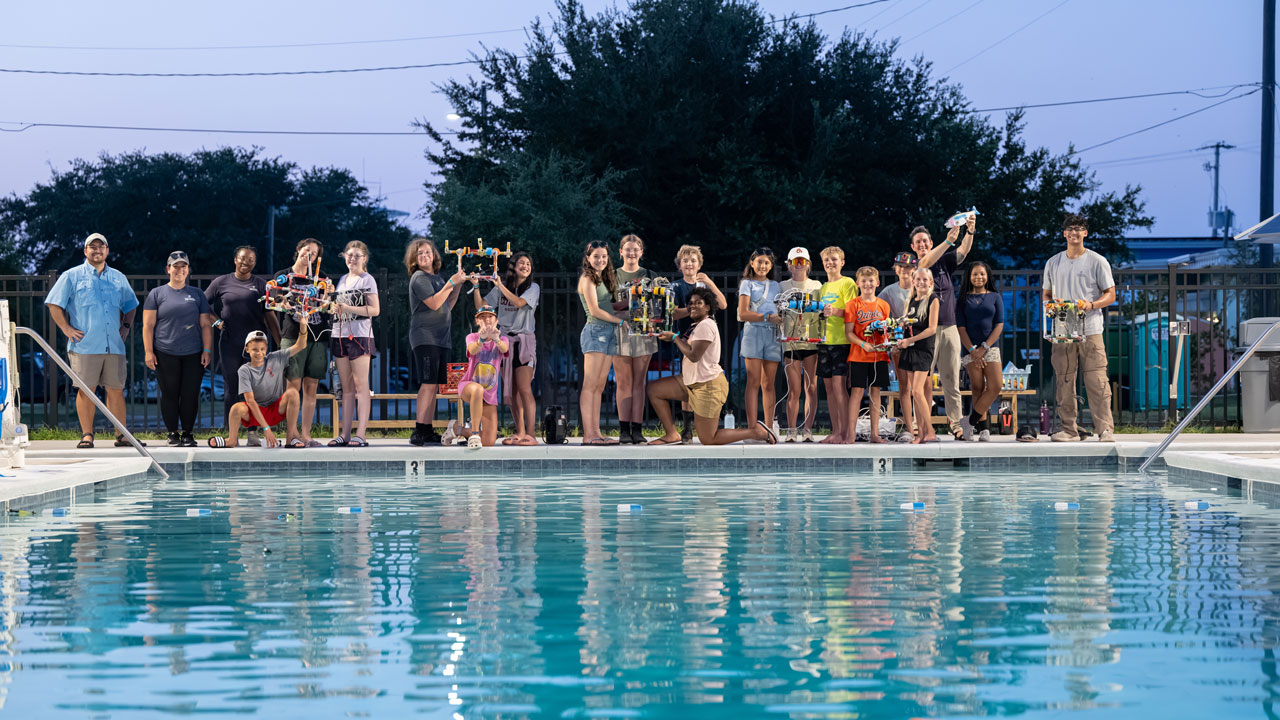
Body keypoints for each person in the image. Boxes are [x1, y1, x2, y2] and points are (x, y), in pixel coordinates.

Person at [45, 233, 140, 450]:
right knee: (86, 390)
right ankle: (87, 435)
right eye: (92, 247)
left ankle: (122, 435)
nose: (97, 251)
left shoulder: (118, 278)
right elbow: (53, 304)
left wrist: (125, 327)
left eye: (101, 247)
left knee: (116, 390)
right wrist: (66, 328)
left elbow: (131, 305)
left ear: (107, 250)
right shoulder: (71, 276)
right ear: (85, 251)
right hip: (84, 346)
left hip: (114, 346)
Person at [646, 287, 776, 446]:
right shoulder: (697, 325)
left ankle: (756, 432)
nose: (693, 306)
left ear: (708, 307)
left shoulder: (706, 325)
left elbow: (694, 356)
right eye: (691, 303)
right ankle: (672, 434)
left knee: (708, 439)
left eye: (698, 303)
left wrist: (674, 338)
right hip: (691, 382)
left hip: (708, 386)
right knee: (655, 390)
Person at [1043, 213, 1116, 443]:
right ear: (1064, 233)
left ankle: (1105, 429)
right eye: (1070, 229)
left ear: (1086, 233)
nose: (1074, 232)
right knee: (1064, 379)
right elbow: (1046, 294)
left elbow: (1111, 294)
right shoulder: (1053, 262)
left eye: (1079, 228)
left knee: (1097, 380)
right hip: (1062, 328)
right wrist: (1049, 306)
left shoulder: (1097, 261)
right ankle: (1069, 429)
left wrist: (1092, 304)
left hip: (1091, 328)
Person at [205, 245, 281, 446]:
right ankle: (232, 435)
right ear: (235, 260)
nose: (246, 262)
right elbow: (202, 305)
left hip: (255, 347)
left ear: (254, 263)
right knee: (232, 388)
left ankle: (252, 433)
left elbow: (270, 316)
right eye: (242, 258)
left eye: (250, 260)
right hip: (230, 343)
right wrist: (215, 322)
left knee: (254, 390)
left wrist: (280, 342)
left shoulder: (261, 285)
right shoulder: (221, 282)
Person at [914, 213, 978, 441]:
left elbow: (964, 251)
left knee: (951, 379)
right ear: (913, 247)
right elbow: (925, 263)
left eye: (925, 241)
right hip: (925, 330)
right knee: (921, 380)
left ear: (931, 243)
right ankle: (919, 424)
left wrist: (969, 230)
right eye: (918, 242)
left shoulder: (945, 261)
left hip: (949, 326)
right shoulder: (918, 267)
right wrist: (949, 240)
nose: (922, 244)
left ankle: (956, 424)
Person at [141, 251, 215, 447]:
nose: (179, 270)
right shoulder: (156, 294)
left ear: (188, 270)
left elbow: (206, 325)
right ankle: (172, 433)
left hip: (193, 353)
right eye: (175, 266)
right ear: (168, 269)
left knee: (190, 393)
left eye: (183, 266)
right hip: (165, 352)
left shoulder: (197, 294)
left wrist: (207, 350)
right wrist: (149, 352)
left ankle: (188, 433)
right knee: (170, 393)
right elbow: (147, 326)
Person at [473, 251, 539, 446]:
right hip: (504, 342)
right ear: (513, 266)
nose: (525, 266)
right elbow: (482, 307)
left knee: (525, 389)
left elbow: (519, 303)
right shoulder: (503, 289)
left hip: (524, 341)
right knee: (511, 391)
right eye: (521, 263)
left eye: (528, 263)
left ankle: (532, 434)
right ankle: (520, 433)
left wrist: (500, 285)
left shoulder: (532, 288)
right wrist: (476, 286)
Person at [407, 238, 468, 446]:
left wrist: (457, 286)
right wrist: (452, 282)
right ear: (414, 259)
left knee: (434, 385)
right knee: (428, 383)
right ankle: (419, 430)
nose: (424, 256)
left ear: (434, 255)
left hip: (442, 338)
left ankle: (427, 429)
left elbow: (447, 304)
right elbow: (433, 304)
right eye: (419, 254)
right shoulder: (419, 277)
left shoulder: (438, 279)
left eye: (427, 252)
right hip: (425, 336)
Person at [273, 238, 331, 447]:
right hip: (293, 334)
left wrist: (328, 297)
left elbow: (327, 306)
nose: (309, 255)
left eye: (313, 254)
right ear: (298, 250)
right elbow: (274, 300)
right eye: (306, 250)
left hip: (317, 336)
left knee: (311, 386)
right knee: (292, 385)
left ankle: (306, 434)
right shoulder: (284, 275)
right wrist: (283, 301)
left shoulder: (322, 278)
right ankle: (292, 434)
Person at [207, 330, 307, 448]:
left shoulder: (276, 358)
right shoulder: (244, 370)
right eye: (254, 349)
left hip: (276, 410)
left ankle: (290, 438)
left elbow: (301, 345)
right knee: (236, 408)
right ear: (247, 349)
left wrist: (303, 324)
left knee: (293, 393)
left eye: (262, 349)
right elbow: (250, 401)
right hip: (256, 413)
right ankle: (231, 440)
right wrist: (266, 428)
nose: (259, 353)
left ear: (266, 349)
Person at [670, 244, 728, 442]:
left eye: (693, 260)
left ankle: (700, 422)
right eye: (685, 261)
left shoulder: (704, 285)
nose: (689, 264)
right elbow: (673, 312)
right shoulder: (676, 286)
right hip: (686, 336)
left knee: (703, 378)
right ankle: (687, 428)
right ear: (680, 265)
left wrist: (710, 283)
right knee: (688, 382)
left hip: (705, 339)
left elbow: (723, 304)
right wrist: (695, 308)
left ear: (699, 264)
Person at [328, 241, 380, 447]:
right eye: (349, 255)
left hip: (359, 336)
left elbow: (375, 310)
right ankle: (345, 433)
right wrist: (334, 308)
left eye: (357, 255)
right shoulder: (341, 280)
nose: (352, 259)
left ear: (364, 259)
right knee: (346, 387)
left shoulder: (367, 280)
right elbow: (338, 307)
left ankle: (361, 434)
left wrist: (348, 308)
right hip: (339, 334)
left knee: (361, 386)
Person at [612, 235, 659, 444]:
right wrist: (628, 305)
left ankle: (637, 429)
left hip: (644, 331)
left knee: (639, 382)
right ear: (620, 252)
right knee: (623, 382)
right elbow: (604, 306)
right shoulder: (611, 276)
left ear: (641, 252)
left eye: (636, 249)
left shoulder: (651, 276)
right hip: (619, 330)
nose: (632, 253)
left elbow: (660, 305)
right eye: (627, 249)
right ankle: (623, 429)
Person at [441, 306, 510, 448]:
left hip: (489, 393)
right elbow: (472, 349)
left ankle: (456, 429)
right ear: (477, 321)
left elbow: (505, 348)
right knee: (477, 389)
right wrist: (482, 339)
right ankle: (474, 433)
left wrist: (495, 339)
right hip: (469, 386)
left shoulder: (502, 339)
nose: (487, 320)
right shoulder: (472, 337)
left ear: (496, 320)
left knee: (488, 442)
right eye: (482, 317)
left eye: (490, 316)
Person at [577, 240, 624, 445]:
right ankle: (588, 435)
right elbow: (595, 310)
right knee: (590, 385)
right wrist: (620, 321)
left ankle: (597, 433)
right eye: (596, 256)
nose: (601, 260)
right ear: (588, 258)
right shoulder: (587, 279)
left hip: (609, 332)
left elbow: (609, 305)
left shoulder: (602, 278)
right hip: (595, 331)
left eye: (604, 256)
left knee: (599, 386)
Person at [956, 261, 1004, 442]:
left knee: (995, 386)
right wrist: (972, 350)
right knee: (977, 387)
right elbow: (960, 327)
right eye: (975, 274)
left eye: (982, 274)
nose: (979, 277)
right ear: (969, 277)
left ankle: (970, 421)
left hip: (990, 347)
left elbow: (999, 324)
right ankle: (983, 430)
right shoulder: (962, 299)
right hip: (970, 349)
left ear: (987, 276)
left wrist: (984, 347)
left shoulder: (995, 297)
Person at [843, 267, 892, 444]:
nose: (868, 284)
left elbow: (888, 331)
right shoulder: (853, 304)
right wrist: (863, 344)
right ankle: (850, 433)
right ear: (858, 283)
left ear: (877, 283)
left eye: (871, 281)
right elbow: (849, 333)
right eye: (864, 281)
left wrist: (889, 340)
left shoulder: (884, 305)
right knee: (856, 392)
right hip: (858, 356)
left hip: (879, 356)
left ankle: (874, 434)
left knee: (875, 393)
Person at [737, 247, 783, 432]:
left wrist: (777, 319)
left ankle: (769, 427)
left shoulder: (776, 286)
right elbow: (743, 313)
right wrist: (767, 318)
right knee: (753, 381)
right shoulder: (746, 284)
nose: (763, 266)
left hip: (772, 334)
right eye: (760, 262)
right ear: (752, 263)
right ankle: (752, 427)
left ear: (771, 265)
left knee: (769, 384)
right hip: (754, 332)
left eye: (767, 262)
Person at [779, 247, 821, 442]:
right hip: (791, 343)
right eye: (795, 262)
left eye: (802, 261)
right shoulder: (782, 286)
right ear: (789, 264)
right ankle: (791, 430)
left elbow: (823, 311)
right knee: (794, 390)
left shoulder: (816, 285)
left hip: (811, 341)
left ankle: (808, 430)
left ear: (808, 264)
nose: (799, 265)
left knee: (811, 388)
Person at [816, 246, 856, 443]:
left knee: (840, 388)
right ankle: (835, 431)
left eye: (834, 259)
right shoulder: (823, 288)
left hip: (842, 342)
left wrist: (835, 311)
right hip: (824, 342)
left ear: (842, 262)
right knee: (829, 388)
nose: (830, 263)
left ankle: (847, 433)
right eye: (826, 260)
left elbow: (852, 312)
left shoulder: (847, 283)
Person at [896, 270, 940, 443]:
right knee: (913, 391)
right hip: (909, 348)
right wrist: (899, 335)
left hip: (923, 349)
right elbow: (906, 325)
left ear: (930, 282)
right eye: (918, 279)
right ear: (913, 281)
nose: (921, 282)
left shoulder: (933, 300)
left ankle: (930, 431)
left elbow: (932, 329)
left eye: (925, 279)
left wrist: (910, 340)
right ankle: (920, 433)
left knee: (917, 391)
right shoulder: (911, 301)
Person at [879, 251, 917, 438]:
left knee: (921, 387)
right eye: (901, 266)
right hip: (899, 343)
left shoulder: (922, 288)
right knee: (904, 386)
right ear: (895, 269)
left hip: (919, 343)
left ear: (915, 269)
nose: (905, 270)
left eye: (909, 266)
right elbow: (881, 318)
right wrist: (892, 340)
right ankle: (910, 429)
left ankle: (923, 427)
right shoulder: (888, 292)